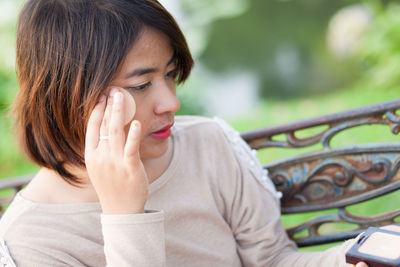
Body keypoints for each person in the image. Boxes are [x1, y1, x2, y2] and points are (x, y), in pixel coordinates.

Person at [0, 0, 372, 266]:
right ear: (69, 94)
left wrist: (349, 259)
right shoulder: (31, 242)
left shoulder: (208, 144)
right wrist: (125, 215)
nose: (171, 103)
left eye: (171, 75)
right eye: (142, 85)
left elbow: (273, 260)